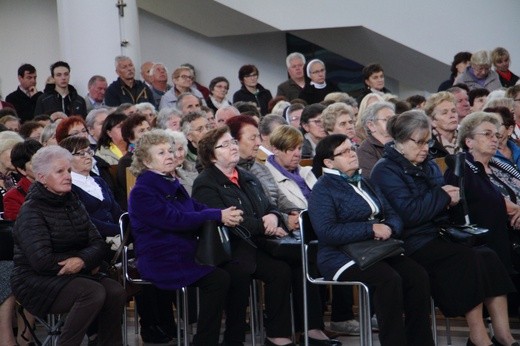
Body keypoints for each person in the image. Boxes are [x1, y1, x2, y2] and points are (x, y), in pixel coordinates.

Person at [371, 110, 518, 346]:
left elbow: (437, 204)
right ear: (399, 142)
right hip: (410, 241)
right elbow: (409, 214)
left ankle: (504, 336)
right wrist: (441, 197)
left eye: (427, 141)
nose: (425, 148)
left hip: (436, 233)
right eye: (418, 142)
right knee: (467, 259)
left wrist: (451, 199)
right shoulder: (385, 170)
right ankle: (478, 336)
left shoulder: (427, 164)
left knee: (489, 256)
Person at [192, 127, 340, 346]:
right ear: (212, 155)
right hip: (230, 247)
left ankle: (307, 329)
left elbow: (267, 203)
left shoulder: (246, 176)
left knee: (301, 262)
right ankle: (272, 335)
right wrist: (265, 225)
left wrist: (272, 215)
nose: (233, 147)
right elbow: (229, 220)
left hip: (257, 242)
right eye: (225, 145)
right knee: (277, 271)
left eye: (233, 141)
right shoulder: (206, 182)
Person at [309, 134, 435, 346]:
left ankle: (420, 341)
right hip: (338, 257)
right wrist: (371, 229)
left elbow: (392, 214)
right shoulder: (323, 188)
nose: (352, 154)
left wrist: (389, 228)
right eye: (344, 152)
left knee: (417, 275)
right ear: (329, 162)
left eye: (352, 148)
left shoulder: (365, 181)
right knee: (389, 279)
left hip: (375, 250)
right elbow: (327, 231)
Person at [127, 129, 241, 346]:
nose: (170, 155)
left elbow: (194, 207)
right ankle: (205, 341)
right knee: (218, 279)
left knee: (233, 270)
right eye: (161, 153)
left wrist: (224, 213)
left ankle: (224, 338)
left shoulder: (169, 181)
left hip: (183, 250)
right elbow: (175, 220)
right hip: (162, 257)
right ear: (146, 161)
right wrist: (216, 214)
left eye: (170, 150)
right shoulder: (143, 190)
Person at [10, 145, 125, 345]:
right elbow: (41, 260)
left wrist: (81, 260)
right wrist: (81, 261)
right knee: (91, 292)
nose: (68, 176)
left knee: (115, 291)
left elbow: (97, 243)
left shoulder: (73, 202)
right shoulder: (32, 211)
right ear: (42, 177)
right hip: (36, 281)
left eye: (69, 171)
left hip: (77, 272)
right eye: (60, 172)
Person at [60, 136, 124, 241]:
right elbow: (86, 221)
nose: (88, 156)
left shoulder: (99, 181)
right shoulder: (68, 187)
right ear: (66, 159)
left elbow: (117, 211)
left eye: (89, 152)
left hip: (118, 236)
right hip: (93, 241)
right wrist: (120, 230)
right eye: (81, 153)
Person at [116, 113, 151, 209]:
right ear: (131, 138)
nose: (148, 133)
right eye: (142, 131)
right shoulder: (126, 162)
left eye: (148, 129)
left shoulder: (156, 156)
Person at [3, 139, 42, 221]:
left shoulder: (60, 185)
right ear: (22, 170)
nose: (41, 165)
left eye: (44, 160)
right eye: (34, 163)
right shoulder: (13, 197)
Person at [356, 101, 395, 178]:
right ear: (371, 125)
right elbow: (377, 180)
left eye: (394, 118)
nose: (393, 122)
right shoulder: (365, 151)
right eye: (386, 119)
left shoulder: (402, 142)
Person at [424, 91, 460, 158]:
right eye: (444, 113)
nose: (452, 116)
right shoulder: (426, 144)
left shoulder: (467, 140)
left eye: (454, 111)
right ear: (432, 121)